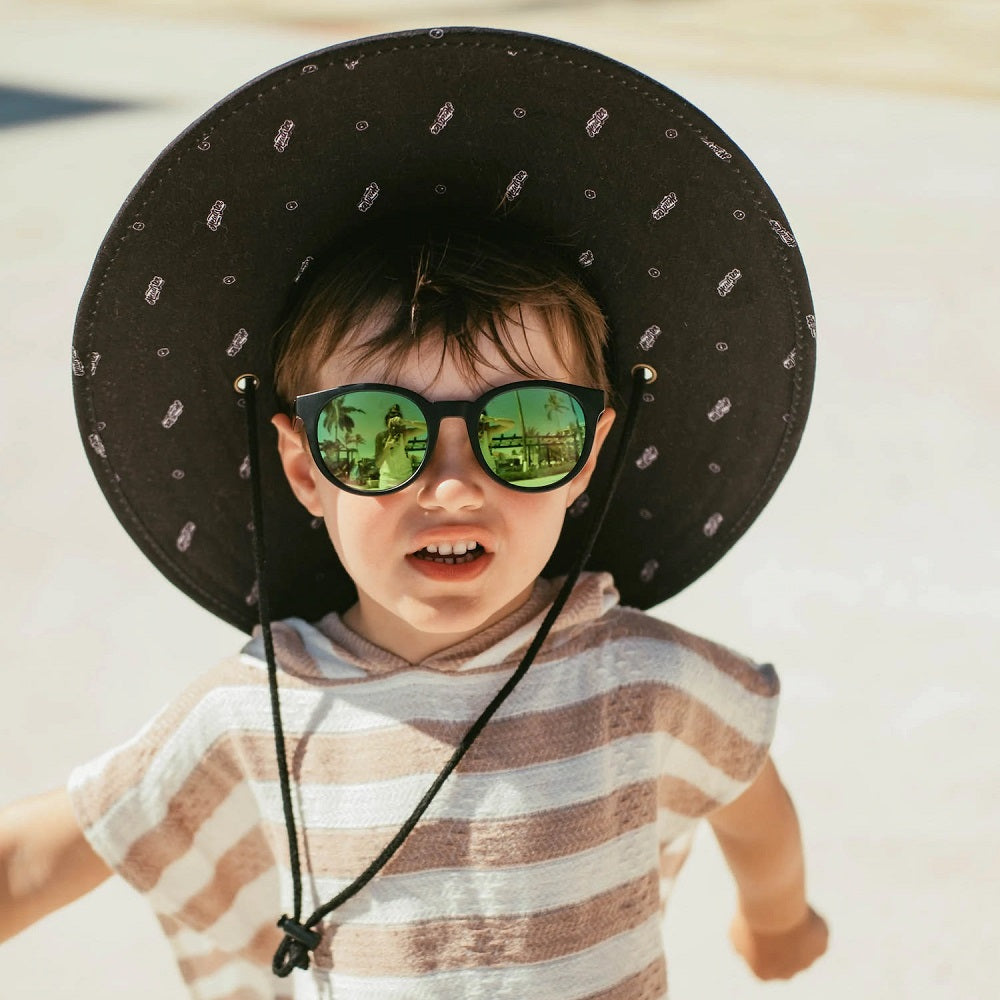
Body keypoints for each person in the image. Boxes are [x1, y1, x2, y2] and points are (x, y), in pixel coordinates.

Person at [0, 27, 827, 999]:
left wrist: (775, 915)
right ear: (305, 471)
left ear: (586, 459)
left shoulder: (641, 679)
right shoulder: (259, 708)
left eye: (521, 431)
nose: (450, 484)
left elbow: (749, 788)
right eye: (374, 434)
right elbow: (36, 855)